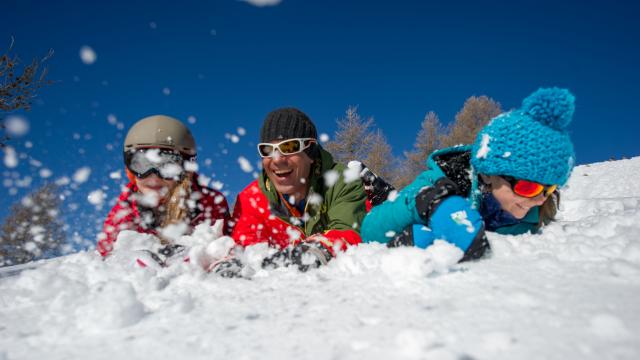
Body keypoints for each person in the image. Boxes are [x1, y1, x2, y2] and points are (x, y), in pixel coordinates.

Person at [361, 87, 576, 261]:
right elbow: (370, 230)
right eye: (528, 187)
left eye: (549, 189)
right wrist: (425, 202)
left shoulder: (539, 213)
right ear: (491, 173)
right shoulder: (442, 179)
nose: (540, 199)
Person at [230, 107, 368, 271]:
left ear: (309, 153)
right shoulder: (250, 199)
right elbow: (245, 248)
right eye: (267, 150)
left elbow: (348, 232)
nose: (277, 159)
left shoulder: (341, 180)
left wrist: (317, 249)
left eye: (289, 147)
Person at [98, 115, 230, 266]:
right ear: (130, 171)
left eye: (167, 166)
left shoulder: (208, 203)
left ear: (184, 169)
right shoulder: (123, 213)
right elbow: (106, 262)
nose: (153, 177)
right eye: (142, 164)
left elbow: (223, 249)